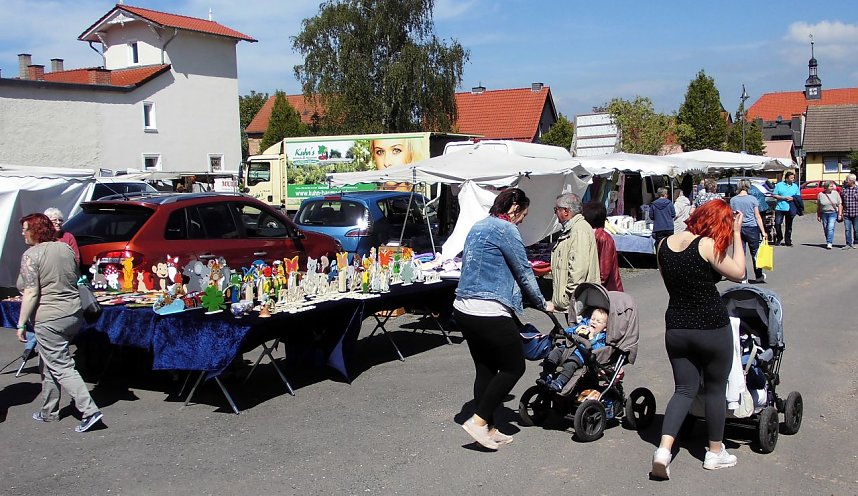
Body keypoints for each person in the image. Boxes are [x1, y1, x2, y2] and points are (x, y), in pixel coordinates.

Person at [651, 199, 745, 479]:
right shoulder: (705, 245)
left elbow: (676, 280)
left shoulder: (663, 245)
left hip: (676, 326)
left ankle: (663, 451)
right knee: (715, 389)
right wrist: (737, 236)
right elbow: (739, 273)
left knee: (684, 389)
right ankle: (715, 452)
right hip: (711, 326)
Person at [454, 188, 554, 450]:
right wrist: (545, 304)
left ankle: (488, 427)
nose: (522, 220)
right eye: (524, 214)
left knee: (485, 368)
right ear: (514, 208)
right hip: (488, 309)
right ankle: (478, 422)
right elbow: (524, 272)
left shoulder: (478, 225)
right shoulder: (506, 230)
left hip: (463, 307)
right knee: (514, 367)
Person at [16, 213, 104, 433]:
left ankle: (90, 411)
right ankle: (49, 411)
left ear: (35, 231)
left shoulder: (31, 255)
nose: (22, 233)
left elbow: (30, 291)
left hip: (50, 317)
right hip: (73, 313)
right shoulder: (64, 248)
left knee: (62, 366)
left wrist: (20, 323)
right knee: (48, 362)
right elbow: (73, 276)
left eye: (25, 229)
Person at [550, 193, 600, 321]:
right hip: (576, 301)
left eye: (556, 209)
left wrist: (569, 296)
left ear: (566, 211)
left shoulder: (579, 230)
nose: (555, 213)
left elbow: (578, 270)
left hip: (578, 301)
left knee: (579, 336)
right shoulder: (573, 229)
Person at [537, 307, 608, 392]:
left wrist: (592, 339)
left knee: (570, 365)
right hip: (567, 348)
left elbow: (598, 349)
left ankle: (560, 382)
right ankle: (547, 375)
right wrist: (575, 330)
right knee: (553, 354)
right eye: (593, 319)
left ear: (604, 328)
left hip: (579, 356)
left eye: (598, 321)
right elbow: (567, 331)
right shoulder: (584, 324)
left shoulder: (601, 337)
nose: (594, 322)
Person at [730, 180, 768, 283]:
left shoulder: (733, 200)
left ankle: (743, 276)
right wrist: (763, 231)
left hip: (739, 227)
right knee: (755, 253)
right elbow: (757, 216)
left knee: (740, 253)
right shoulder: (753, 199)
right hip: (752, 227)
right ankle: (758, 275)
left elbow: (732, 215)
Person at [582, 201, 623, 291]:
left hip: (607, 290)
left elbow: (604, 271)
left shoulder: (603, 238)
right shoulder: (590, 235)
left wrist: (592, 286)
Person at [772, 171, 800, 246]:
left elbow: (798, 196)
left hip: (790, 208)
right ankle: (779, 237)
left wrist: (793, 198)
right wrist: (783, 198)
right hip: (780, 208)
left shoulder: (795, 186)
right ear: (787, 178)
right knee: (777, 224)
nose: (793, 179)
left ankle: (788, 241)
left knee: (789, 226)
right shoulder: (779, 185)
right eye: (791, 178)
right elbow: (774, 195)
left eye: (793, 178)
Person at [816, 180, 842, 250]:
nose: (833, 187)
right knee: (826, 228)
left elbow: (839, 204)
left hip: (833, 213)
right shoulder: (820, 194)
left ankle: (829, 242)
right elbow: (818, 206)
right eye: (831, 186)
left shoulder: (836, 193)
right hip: (824, 213)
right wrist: (818, 215)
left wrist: (839, 214)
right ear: (826, 187)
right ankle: (828, 239)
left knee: (830, 227)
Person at [840, 173, 858, 249]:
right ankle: (848, 243)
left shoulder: (857, 189)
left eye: (847, 180)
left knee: (856, 229)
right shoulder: (844, 189)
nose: (846, 181)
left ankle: (856, 242)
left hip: (856, 213)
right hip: (846, 213)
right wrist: (840, 213)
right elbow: (841, 201)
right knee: (847, 229)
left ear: (852, 181)